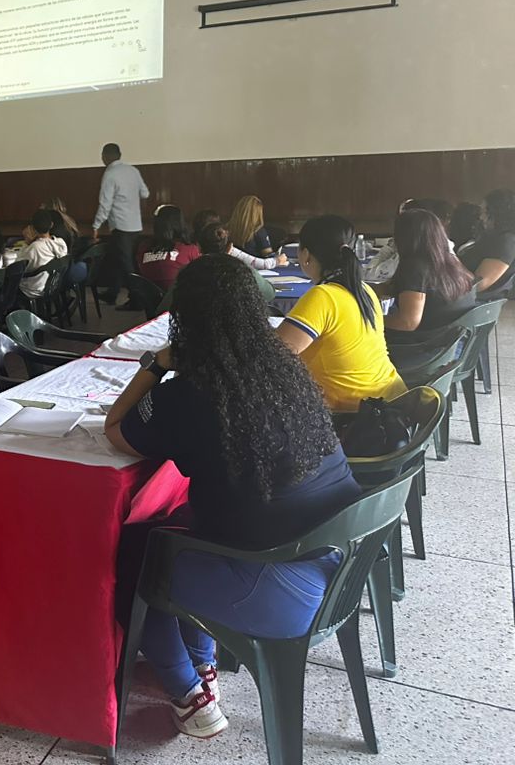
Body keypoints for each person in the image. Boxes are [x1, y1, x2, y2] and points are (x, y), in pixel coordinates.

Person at [104, 255, 359, 739]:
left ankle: (189, 694)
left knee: (132, 556)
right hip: (338, 562)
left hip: (278, 587)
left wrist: (156, 364)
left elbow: (115, 428)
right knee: (183, 525)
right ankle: (203, 663)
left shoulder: (188, 395)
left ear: (185, 321)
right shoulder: (287, 372)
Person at [277, 215, 406, 412]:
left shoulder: (322, 296)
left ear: (306, 255)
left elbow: (272, 355)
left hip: (353, 416)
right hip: (392, 402)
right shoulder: (364, 289)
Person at [378, 209, 477, 332]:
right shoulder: (450, 260)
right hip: (456, 336)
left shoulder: (413, 267)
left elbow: (407, 323)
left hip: (427, 340)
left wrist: (371, 320)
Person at [91, 143, 149, 305]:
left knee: (125, 263)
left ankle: (137, 298)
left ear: (105, 156)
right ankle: (112, 293)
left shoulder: (110, 174)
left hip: (121, 226)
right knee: (119, 259)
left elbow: (105, 204)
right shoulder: (133, 171)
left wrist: (96, 225)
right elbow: (145, 193)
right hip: (136, 224)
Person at [196, 223, 277, 305]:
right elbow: (269, 293)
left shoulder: (192, 271)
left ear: (199, 246)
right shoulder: (243, 270)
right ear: (230, 247)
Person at [462, 188, 515, 295]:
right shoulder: (494, 237)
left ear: (498, 213)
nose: (481, 217)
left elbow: (479, 284)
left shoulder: (506, 241)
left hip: (467, 299)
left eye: (484, 212)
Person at [137, 205, 200, 293]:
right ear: (180, 223)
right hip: (178, 298)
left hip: (148, 297)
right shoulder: (189, 249)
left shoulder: (143, 247)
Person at [16, 209, 68, 299]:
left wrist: (27, 243)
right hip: (53, 286)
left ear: (33, 228)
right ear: (51, 225)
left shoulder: (35, 247)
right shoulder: (61, 243)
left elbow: (19, 266)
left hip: (32, 289)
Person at [198, 221, 287, 272]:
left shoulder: (197, 267)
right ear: (229, 246)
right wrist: (278, 260)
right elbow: (262, 264)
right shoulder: (233, 253)